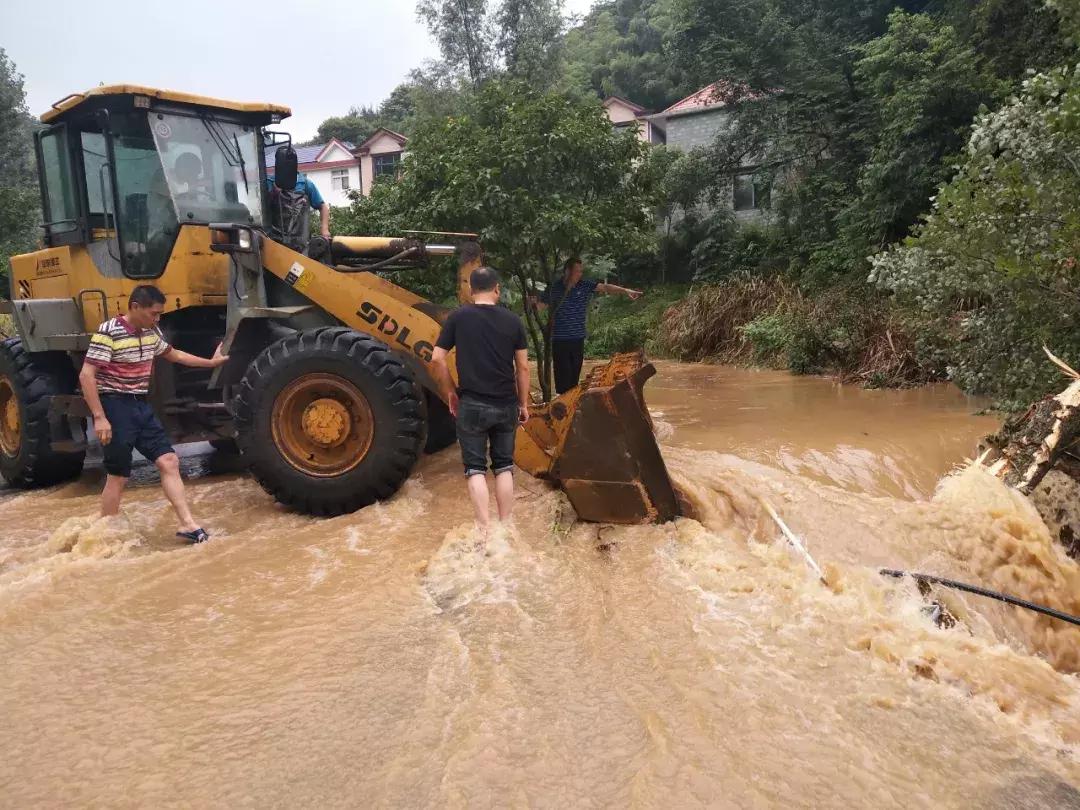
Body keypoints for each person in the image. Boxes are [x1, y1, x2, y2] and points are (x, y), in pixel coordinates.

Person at [79, 285, 229, 544]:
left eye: (159, 314)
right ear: (135, 307)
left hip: (141, 406)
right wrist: (99, 417)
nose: (157, 318)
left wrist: (211, 363)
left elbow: (175, 355)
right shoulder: (108, 331)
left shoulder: (151, 332)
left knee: (169, 460)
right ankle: (104, 537)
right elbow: (86, 375)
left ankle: (187, 524)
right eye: (153, 313)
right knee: (119, 475)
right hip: (115, 406)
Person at [432, 267, 530, 533]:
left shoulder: (458, 318)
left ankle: (484, 530)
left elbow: (437, 358)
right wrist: (522, 404)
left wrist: (451, 392)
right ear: (497, 288)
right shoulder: (513, 321)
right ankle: (505, 527)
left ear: (470, 290)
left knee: (475, 469)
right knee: (504, 467)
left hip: (472, 405)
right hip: (506, 405)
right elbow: (522, 368)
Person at [531, 258, 644, 394]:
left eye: (581, 271)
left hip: (578, 340)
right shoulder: (554, 288)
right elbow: (541, 306)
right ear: (567, 271)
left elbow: (605, 287)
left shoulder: (584, 285)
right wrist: (531, 303)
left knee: (573, 381)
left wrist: (625, 291)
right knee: (562, 381)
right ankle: (563, 405)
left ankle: (572, 407)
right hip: (560, 341)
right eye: (577, 271)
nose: (580, 274)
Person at [265, 170, 331, 242]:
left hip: (300, 241)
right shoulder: (269, 182)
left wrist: (324, 229)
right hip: (273, 240)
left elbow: (323, 207)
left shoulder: (305, 184)